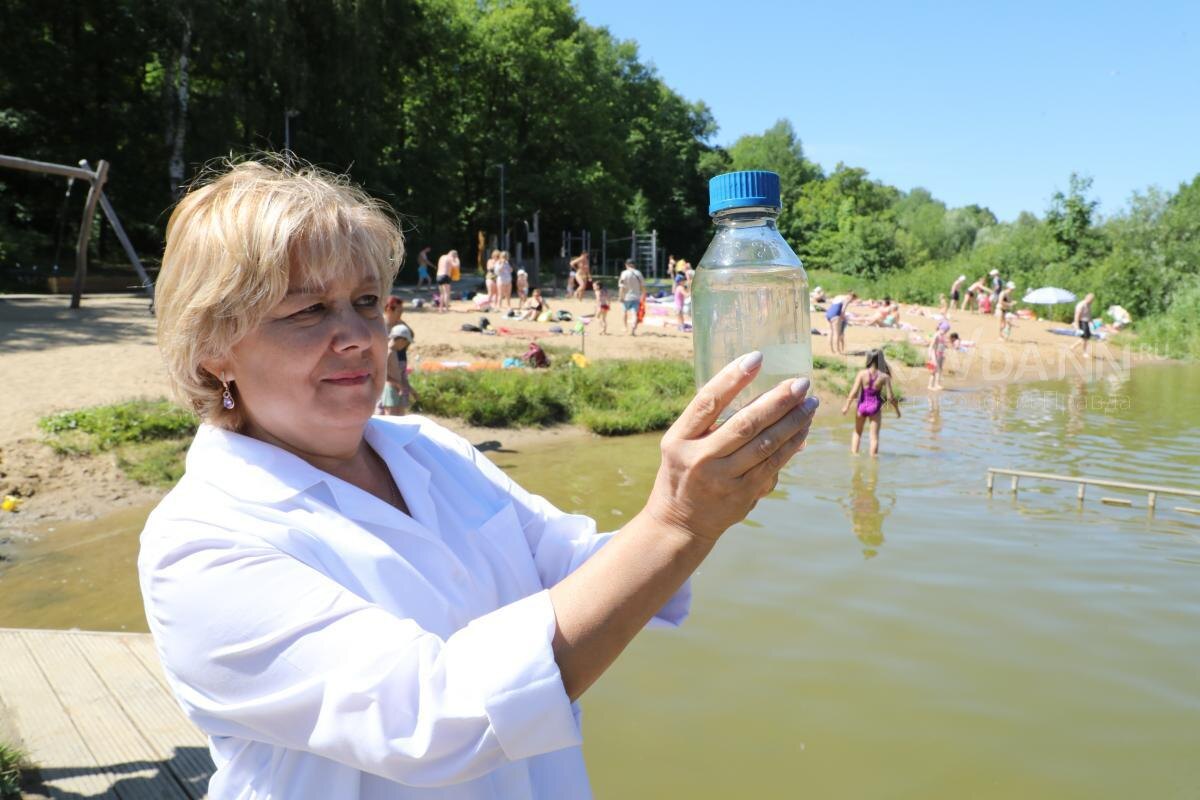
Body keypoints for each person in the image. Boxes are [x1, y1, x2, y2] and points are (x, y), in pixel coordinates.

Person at [143, 157, 821, 798]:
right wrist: (676, 522)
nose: (359, 336)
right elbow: (441, 718)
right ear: (214, 351)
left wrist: (714, 485)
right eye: (308, 310)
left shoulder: (426, 449)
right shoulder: (199, 544)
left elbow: (577, 563)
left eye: (369, 301)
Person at [840, 348, 900, 456]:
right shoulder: (884, 377)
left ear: (868, 359)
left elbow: (853, 392)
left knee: (857, 432)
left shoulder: (862, 374)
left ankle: (855, 456)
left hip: (861, 407)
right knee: (874, 437)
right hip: (875, 408)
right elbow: (891, 398)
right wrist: (897, 411)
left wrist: (846, 407)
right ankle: (873, 460)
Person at [618, 258, 646, 335]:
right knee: (634, 313)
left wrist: (620, 296)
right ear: (634, 265)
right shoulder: (639, 273)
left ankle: (625, 327)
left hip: (626, 297)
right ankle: (633, 330)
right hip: (636, 296)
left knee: (624, 312)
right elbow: (643, 286)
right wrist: (643, 295)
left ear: (626, 265)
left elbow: (621, 286)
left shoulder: (624, 273)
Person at [1071, 292, 1096, 358]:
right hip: (1080, 322)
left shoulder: (1089, 305)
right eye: (1091, 299)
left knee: (1086, 338)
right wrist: (1077, 326)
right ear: (1087, 298)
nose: (1092, 301)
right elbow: (1077, 315)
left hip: (1086, 322)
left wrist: (1092, 323)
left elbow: (1089, 315)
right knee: (1085, 338)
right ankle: (1084, 352)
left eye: (1092, 300)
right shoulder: (1081, 304)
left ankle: (1073, 347)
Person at [927, 320, 949, 391]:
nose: (946, 332)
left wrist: (944, 354)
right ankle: (930, 385)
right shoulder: (936, 335)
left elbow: (943, 345)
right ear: (941, 328)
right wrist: (931, 356)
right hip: (934, 354)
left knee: (939, 370)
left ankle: (937, 384)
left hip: (940, 354)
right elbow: (931, 346)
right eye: (945, 330)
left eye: (947, 331)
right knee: (933, 370)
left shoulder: (943, 336)